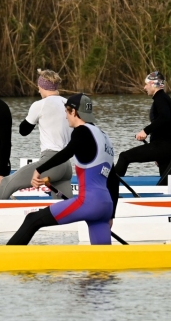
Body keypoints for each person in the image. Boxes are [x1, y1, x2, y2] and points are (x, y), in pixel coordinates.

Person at [8, 94, 117, 246]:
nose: (66, 116)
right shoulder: (104, 138)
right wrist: (111, 215)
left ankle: (5, 261)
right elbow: (113, 179)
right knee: (102, 263)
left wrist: (39, 169)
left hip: (88, 203)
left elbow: (66, 152)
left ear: (74, 112)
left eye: (66, 111)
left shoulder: (81, 131)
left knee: (32, 220)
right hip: (106, 207)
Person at [0, 69, 73, 200]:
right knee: (66, 208)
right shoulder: (68, 104)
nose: (38, 91)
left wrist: (33, 118)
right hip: (66, 166)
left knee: (7, 182)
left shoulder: (40, 104)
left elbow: (23, 131)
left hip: (50, 162)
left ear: (42, 86)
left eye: (39, 88)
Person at [107, 71, 171, 206]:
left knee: (124, 156)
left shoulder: (160, 99)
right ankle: (167, 206)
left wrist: (145, 131)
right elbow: (166, 125)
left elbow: (164, 118)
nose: (144, 88)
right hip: (169, 148)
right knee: (165, 185)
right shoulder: (166, 98)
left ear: (153, 84)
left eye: (146, 85)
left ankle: (109, 191)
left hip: (162, 147)